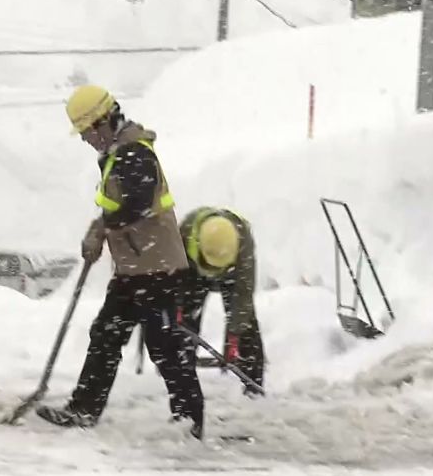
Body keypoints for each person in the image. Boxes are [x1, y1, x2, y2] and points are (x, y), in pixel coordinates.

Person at [36, 84, 205, 439]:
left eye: (86, 131)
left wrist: (102, 230)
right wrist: (100, 227)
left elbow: (139, 204)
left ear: (103, 121)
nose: (85, 139)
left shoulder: (134, 153)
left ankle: (190, 418)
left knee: (164, 346)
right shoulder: (117, 154)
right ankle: (84, 409)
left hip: (158, 269)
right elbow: (118, 208)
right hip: (134, 268)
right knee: (106, 335)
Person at [178, 207, 265, 394]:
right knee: (184, 324)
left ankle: (254, 384)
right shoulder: (184, 233)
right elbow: (173, 274)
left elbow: (243, 294)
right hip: (192, 271)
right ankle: (182, 381)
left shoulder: (243, 245)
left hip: (232, 274)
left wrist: (235, 335)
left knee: (246, 323)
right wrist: (176, 306)